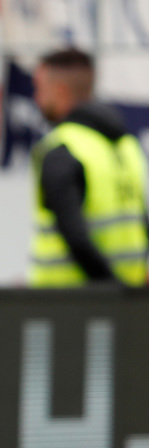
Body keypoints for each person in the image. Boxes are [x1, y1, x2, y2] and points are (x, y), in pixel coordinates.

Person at [28, 48, 147, 287]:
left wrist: (114, 292)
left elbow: (76, 239)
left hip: (68, 299)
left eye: (40, 89)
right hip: (130, 298)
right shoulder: (126, 145)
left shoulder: (62, 149)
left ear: (60, 91)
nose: (36, 99)